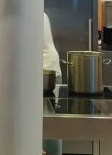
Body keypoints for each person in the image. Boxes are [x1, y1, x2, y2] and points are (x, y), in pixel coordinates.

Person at [42, 12, 62, 155]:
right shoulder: (40, 13)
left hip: (46, 74)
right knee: (50, 123)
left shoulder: (30, 14)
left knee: (49, 126)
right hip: (49, 71)